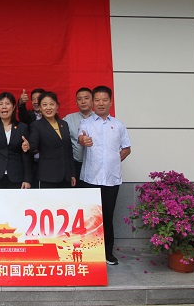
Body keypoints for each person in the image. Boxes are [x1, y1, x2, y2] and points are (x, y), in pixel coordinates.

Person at [78, 85, 131, 266]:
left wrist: (113, 161)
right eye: (97, 100)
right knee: (90, 218)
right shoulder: (86, 123)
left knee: (107, 216)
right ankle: (89, 253)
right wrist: (84, 140)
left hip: (111, 179)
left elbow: (127, 148)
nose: (101, 103)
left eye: (104, 100)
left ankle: (108, 253)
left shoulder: (118, 125)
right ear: (93, 102)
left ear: (110, 102)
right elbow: (81, 137)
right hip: (90, 179)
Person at [21, 91, 76, 188]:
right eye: (45, 105)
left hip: (66, 176)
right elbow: (33, 143)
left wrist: (72, 173)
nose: (48, 108)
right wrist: (28, 147)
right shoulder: (36, 125)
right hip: (47, 176)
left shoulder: (64, 124)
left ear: (57, 106)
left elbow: (68, 150)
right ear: (40, 108)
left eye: (51, 104)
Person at [63, 87, 94, 181]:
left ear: (92, 100)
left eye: (86, 98)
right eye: (80, 99)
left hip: (95, 165)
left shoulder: (100, 118)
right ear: (76, 102)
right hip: (75, 165)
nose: (83, 101)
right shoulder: (68, 119)